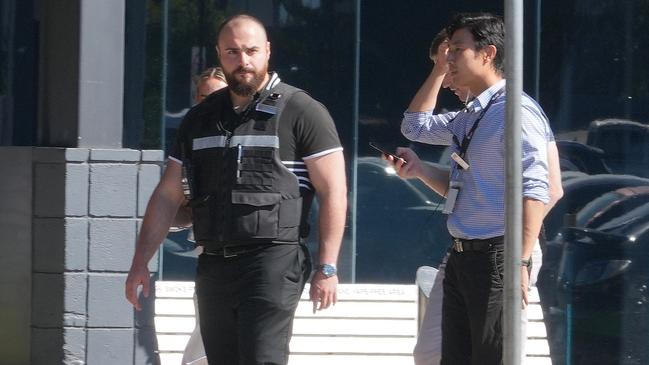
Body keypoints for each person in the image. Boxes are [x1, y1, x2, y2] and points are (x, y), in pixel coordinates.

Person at [125, 14, 347, 365]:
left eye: (251, 51)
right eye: (232, 52)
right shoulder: (200, 118)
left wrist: (328, 267)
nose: (243, 61)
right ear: (219, 53)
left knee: (262, 358)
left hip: (271, 261)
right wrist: (140, 262)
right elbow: (168, 194)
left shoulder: (301, 110)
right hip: (214, 263)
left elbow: (334, 190)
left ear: (268, 51)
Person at [394, 13, 551, 364]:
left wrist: (520, 261)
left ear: (488, 53)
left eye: (457, 51)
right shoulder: (471, 115)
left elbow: (537, 189)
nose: (450, 59)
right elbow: (415, 126)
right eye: (447, 53)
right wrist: (438, 69)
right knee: (454, 357)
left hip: (500, 255)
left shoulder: (515, 111)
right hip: (465, 254)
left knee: (491, 356)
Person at [175, 66, 228, 365]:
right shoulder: (190, 140)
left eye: (216, 96)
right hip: (209, 253)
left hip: (255, 257)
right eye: (202, 96)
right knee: (207, 332)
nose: (208, 103)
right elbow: (175, 211)